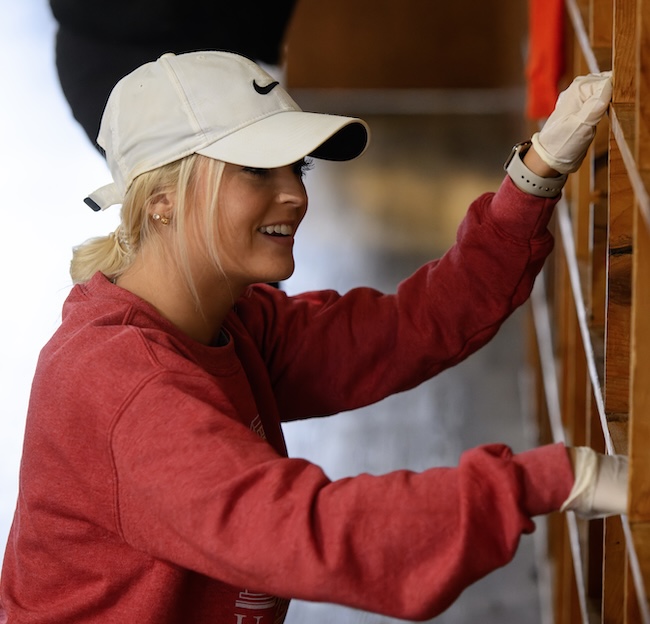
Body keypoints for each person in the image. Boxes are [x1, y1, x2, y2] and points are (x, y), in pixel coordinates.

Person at [0, 51, 625, 623]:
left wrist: (538, 170)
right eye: (256, 170)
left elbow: (410, 328)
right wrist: (554, 478)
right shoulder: (121, 387)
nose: (296, 194)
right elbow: (313, 534)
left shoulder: (229, 321)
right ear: (161, 198)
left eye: (296, 167)